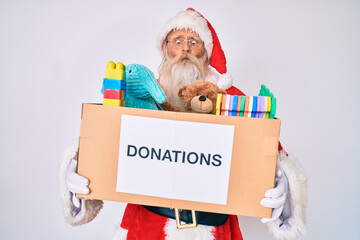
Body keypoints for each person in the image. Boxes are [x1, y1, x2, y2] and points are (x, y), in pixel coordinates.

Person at [60, 8, 307, 240]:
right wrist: (82, 163)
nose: (185, 49)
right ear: (165, 49)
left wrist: (281, 182)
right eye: (177, 41)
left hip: (213, 229)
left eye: (194, 42)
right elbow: (109, 138)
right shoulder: (141, 97)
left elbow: (268, 151)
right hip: (147, 226)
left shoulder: (232, 100)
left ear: (207, 52)